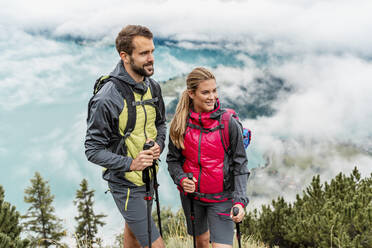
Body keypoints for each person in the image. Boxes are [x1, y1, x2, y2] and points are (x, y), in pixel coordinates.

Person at [85, 25, 166, 248]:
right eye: (143, 53)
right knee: (156, 244)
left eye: (152, 51)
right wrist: (131, 163)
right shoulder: (107, 99)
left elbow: (160, 124)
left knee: (133, 233)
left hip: (148, 176)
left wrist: (159, 144)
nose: (151, 59)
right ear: (125, 56)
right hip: (125, 183)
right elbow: (92, 150)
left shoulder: (153, 87)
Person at [167, 67, 249, 248]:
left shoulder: (228, 123)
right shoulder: (180, 124)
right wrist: (181, 179)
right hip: (192, 199)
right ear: (191, 93)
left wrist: (240, 200)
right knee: (201, 243)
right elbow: (173, 160)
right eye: (205, 92)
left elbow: (240, 164)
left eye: (214, 90)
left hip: (222, 199)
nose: (212, 96)